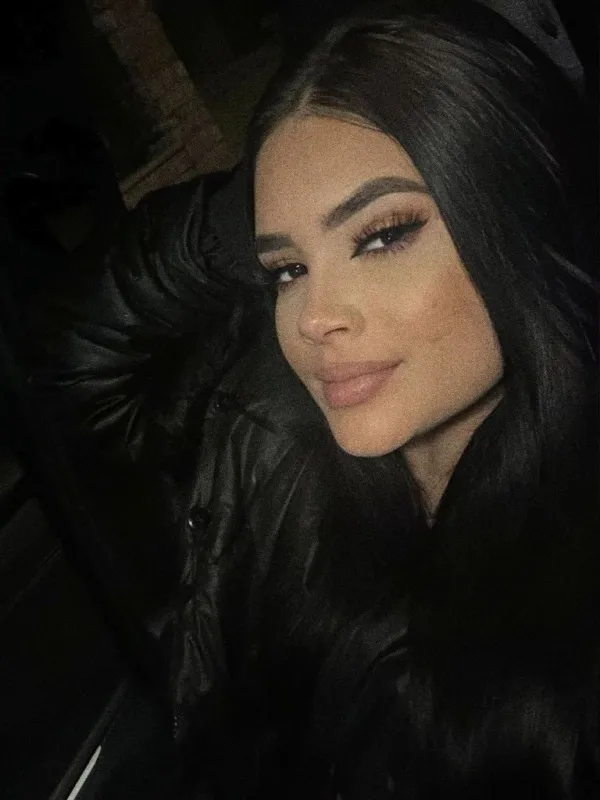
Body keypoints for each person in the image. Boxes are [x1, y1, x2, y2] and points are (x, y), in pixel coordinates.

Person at [27, 1, 598, 797]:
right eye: (287, 270)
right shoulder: (273, 431)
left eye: (383, 234)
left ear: (522, 212)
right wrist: (266, 202)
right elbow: (73, 363)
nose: (313, 317)